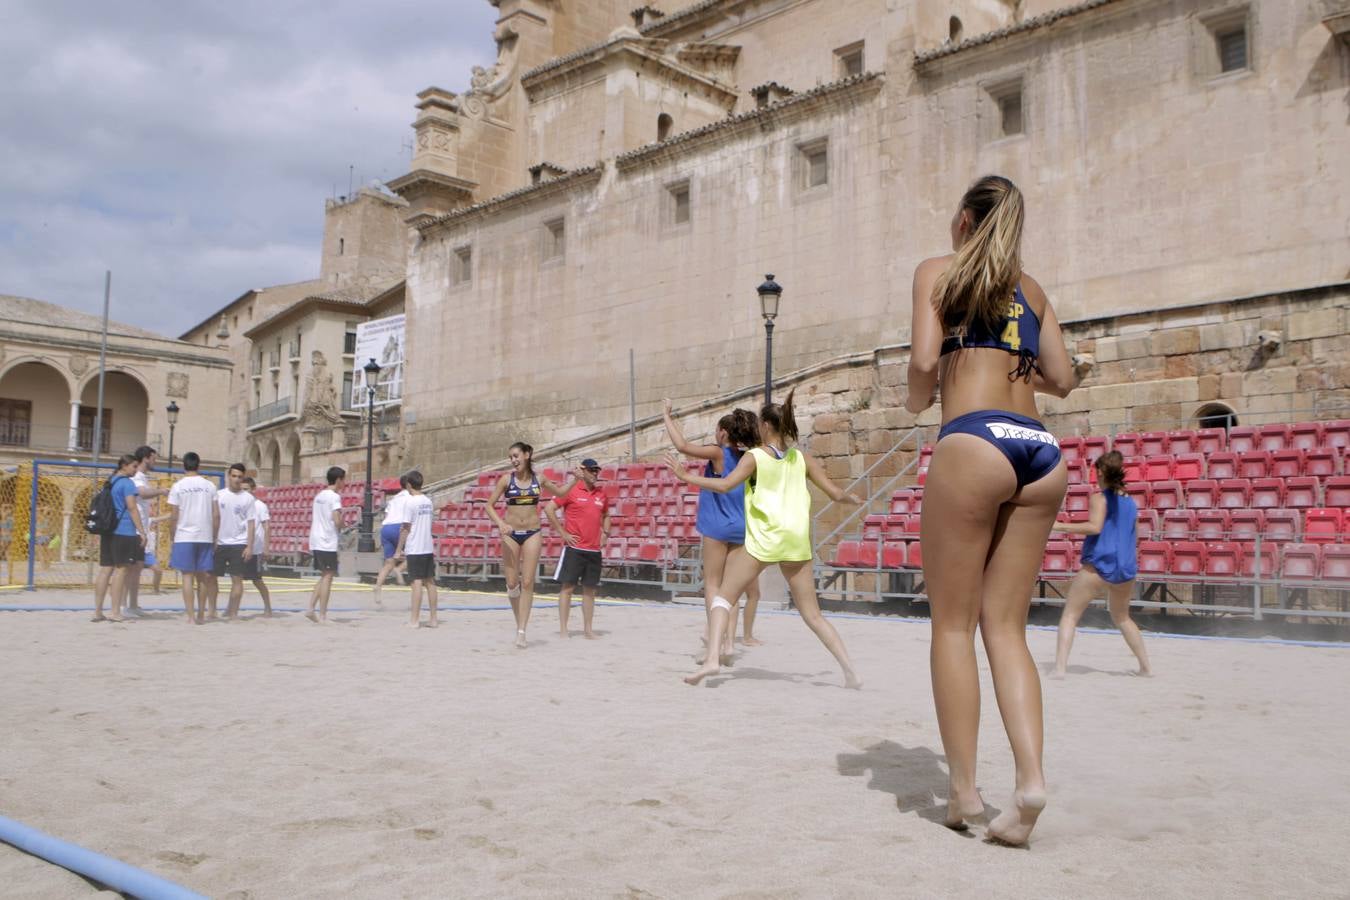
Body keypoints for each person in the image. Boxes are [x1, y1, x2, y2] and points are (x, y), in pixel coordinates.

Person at [904, 175, 1080, 846]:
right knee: (1006, 629)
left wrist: (921, 394)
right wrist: (1016, 364)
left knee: (952, 627)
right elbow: (1061, 379)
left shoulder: (937, 272)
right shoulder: (1030, 289)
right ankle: (1030, 781)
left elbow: (924, 365)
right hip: (1039, 449)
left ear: (964, 221)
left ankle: (964, 793)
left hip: (973, 442)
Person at [667, 390, 864, 688]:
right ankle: (850, 672)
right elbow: (835, 493)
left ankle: (712, 661)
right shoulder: (803, 459)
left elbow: (724, 485)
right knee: (813, 615)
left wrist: (686, 477)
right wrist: (851, 499)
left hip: (763, 543)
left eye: (760, 423)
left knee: (722, 599)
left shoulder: (755, 457)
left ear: (767, 427)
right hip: (795, 544)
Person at [663, 399, 764, 661]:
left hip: (717, 526)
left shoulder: (720, 452)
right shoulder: (748, 458)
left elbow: (682, 446)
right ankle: (730, 645)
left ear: (723, 433)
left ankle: (716, 643)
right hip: (741, 527)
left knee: (712, 585)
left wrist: (666, 415)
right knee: (732, 589)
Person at [1051, 451, 1151, 677]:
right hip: (1125, 568)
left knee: (1070, 615)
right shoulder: (1131, 502)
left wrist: (1060, 527)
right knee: (1123, 618)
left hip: (1098, 565)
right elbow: (1134, 536)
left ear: (1102, 472)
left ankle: (1059, 669)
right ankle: (1145, 667)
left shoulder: (1099, 498)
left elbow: (1094, 527)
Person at [485, 442, 575, 648]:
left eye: (516, 455)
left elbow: (561, 493)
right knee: (511, 583)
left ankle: (522, 630)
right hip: (510, 533)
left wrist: (574, 480)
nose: (513, 460)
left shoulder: (539, 479)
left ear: (527, 455)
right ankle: (519, 622)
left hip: (533, 533)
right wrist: (501, 523)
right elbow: (489, 505)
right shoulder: (506, 480)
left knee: (527, 582)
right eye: (511, 457)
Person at [543, 459, 610, 641]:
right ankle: (564, 630)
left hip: (594, 550)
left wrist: (606, 532)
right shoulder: (571, 490)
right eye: (592, 470)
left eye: (597, 470)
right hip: (574, 548)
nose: (595, 473)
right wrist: (562, 533)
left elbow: (606, 515)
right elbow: (549, 509)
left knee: (590, 591)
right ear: (583, 471)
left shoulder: (601, 494)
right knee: (567, 588)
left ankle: (588, 630)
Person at [92, 454, 147, 622]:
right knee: (121, 569)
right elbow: (132, 508)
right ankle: (115, 611)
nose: (135, 470)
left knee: (105, 570)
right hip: (124, 530)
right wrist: (142, 531)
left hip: (108, 530)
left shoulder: (111, 481)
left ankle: (98, 611)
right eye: (133, 466)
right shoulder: (127, 484)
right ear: (124, 465)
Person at [167, 451, 219, 624]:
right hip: (204, 534)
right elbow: (216, 514)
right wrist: (215, 536)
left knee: (187, 577)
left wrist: (172, 534)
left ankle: (190, 616)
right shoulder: (210, 486)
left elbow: (174, 515)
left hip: (184, 535)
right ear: (199, 464)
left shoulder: (178, 486)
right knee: (202, 577)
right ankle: (201, 614)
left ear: (184, 465)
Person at [125, 445, 168, 616]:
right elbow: (141, 493)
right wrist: (161, 491)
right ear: (146, 458)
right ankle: (125, 605)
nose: (155, 461)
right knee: (129, 570)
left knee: (136, 568)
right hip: (134, 530)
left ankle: (133, 605)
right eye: (154, 458)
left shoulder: (141, 476)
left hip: (139, 529)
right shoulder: (137, 477)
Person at [211, 463, 256, 620]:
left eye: (239, 477)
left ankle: (233, 613)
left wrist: (249, 546)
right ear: (229, 476)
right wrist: (213, 539)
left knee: (237, 579)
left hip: (239, 542)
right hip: (220, 542)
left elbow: (251, 523)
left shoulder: (248, 498)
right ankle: (212, 610)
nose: (236, 479)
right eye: (234, 476)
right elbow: (213, 518)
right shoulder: (219, 495)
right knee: (211, 577)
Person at [394, 470, 438, 628]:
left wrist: (399, 549)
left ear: (408, 484)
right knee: (430, 582)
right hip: (427, 545)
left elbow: (405, 528)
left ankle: (414, 620)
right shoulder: (428, 501)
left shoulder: (410, 502)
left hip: (415, 546)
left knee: (417, 583)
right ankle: (433, 619)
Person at [306, 466, 345, 623]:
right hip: (327, 541)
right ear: (338, 480)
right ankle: (322, 614)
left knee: (324, 576)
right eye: (343, 479)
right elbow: (336, 520)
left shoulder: (319, 496)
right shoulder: (334, 497)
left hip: (316, 539)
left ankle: (310, 608)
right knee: (328, 577)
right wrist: (344, 523)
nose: (344, 483)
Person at [373, 475, 410, 608]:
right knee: (415, 554)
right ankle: (399, 570)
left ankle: (377, 587)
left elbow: (388, 515)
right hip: (399, 527)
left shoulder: (394, 498)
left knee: (389, 563)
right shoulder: (411, 497)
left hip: (386, 528)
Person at [241, 477, 274, 617]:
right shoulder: (240, 504)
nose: (244, 492)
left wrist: (266, 547)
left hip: (255, 548)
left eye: (246, 489)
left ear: (253, 489)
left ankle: (267, 607)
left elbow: (267, 527)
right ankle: (232, 607)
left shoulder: (259, 505)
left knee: (257, 580)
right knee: (236, 578)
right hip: (241, 546)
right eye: (242, 489)